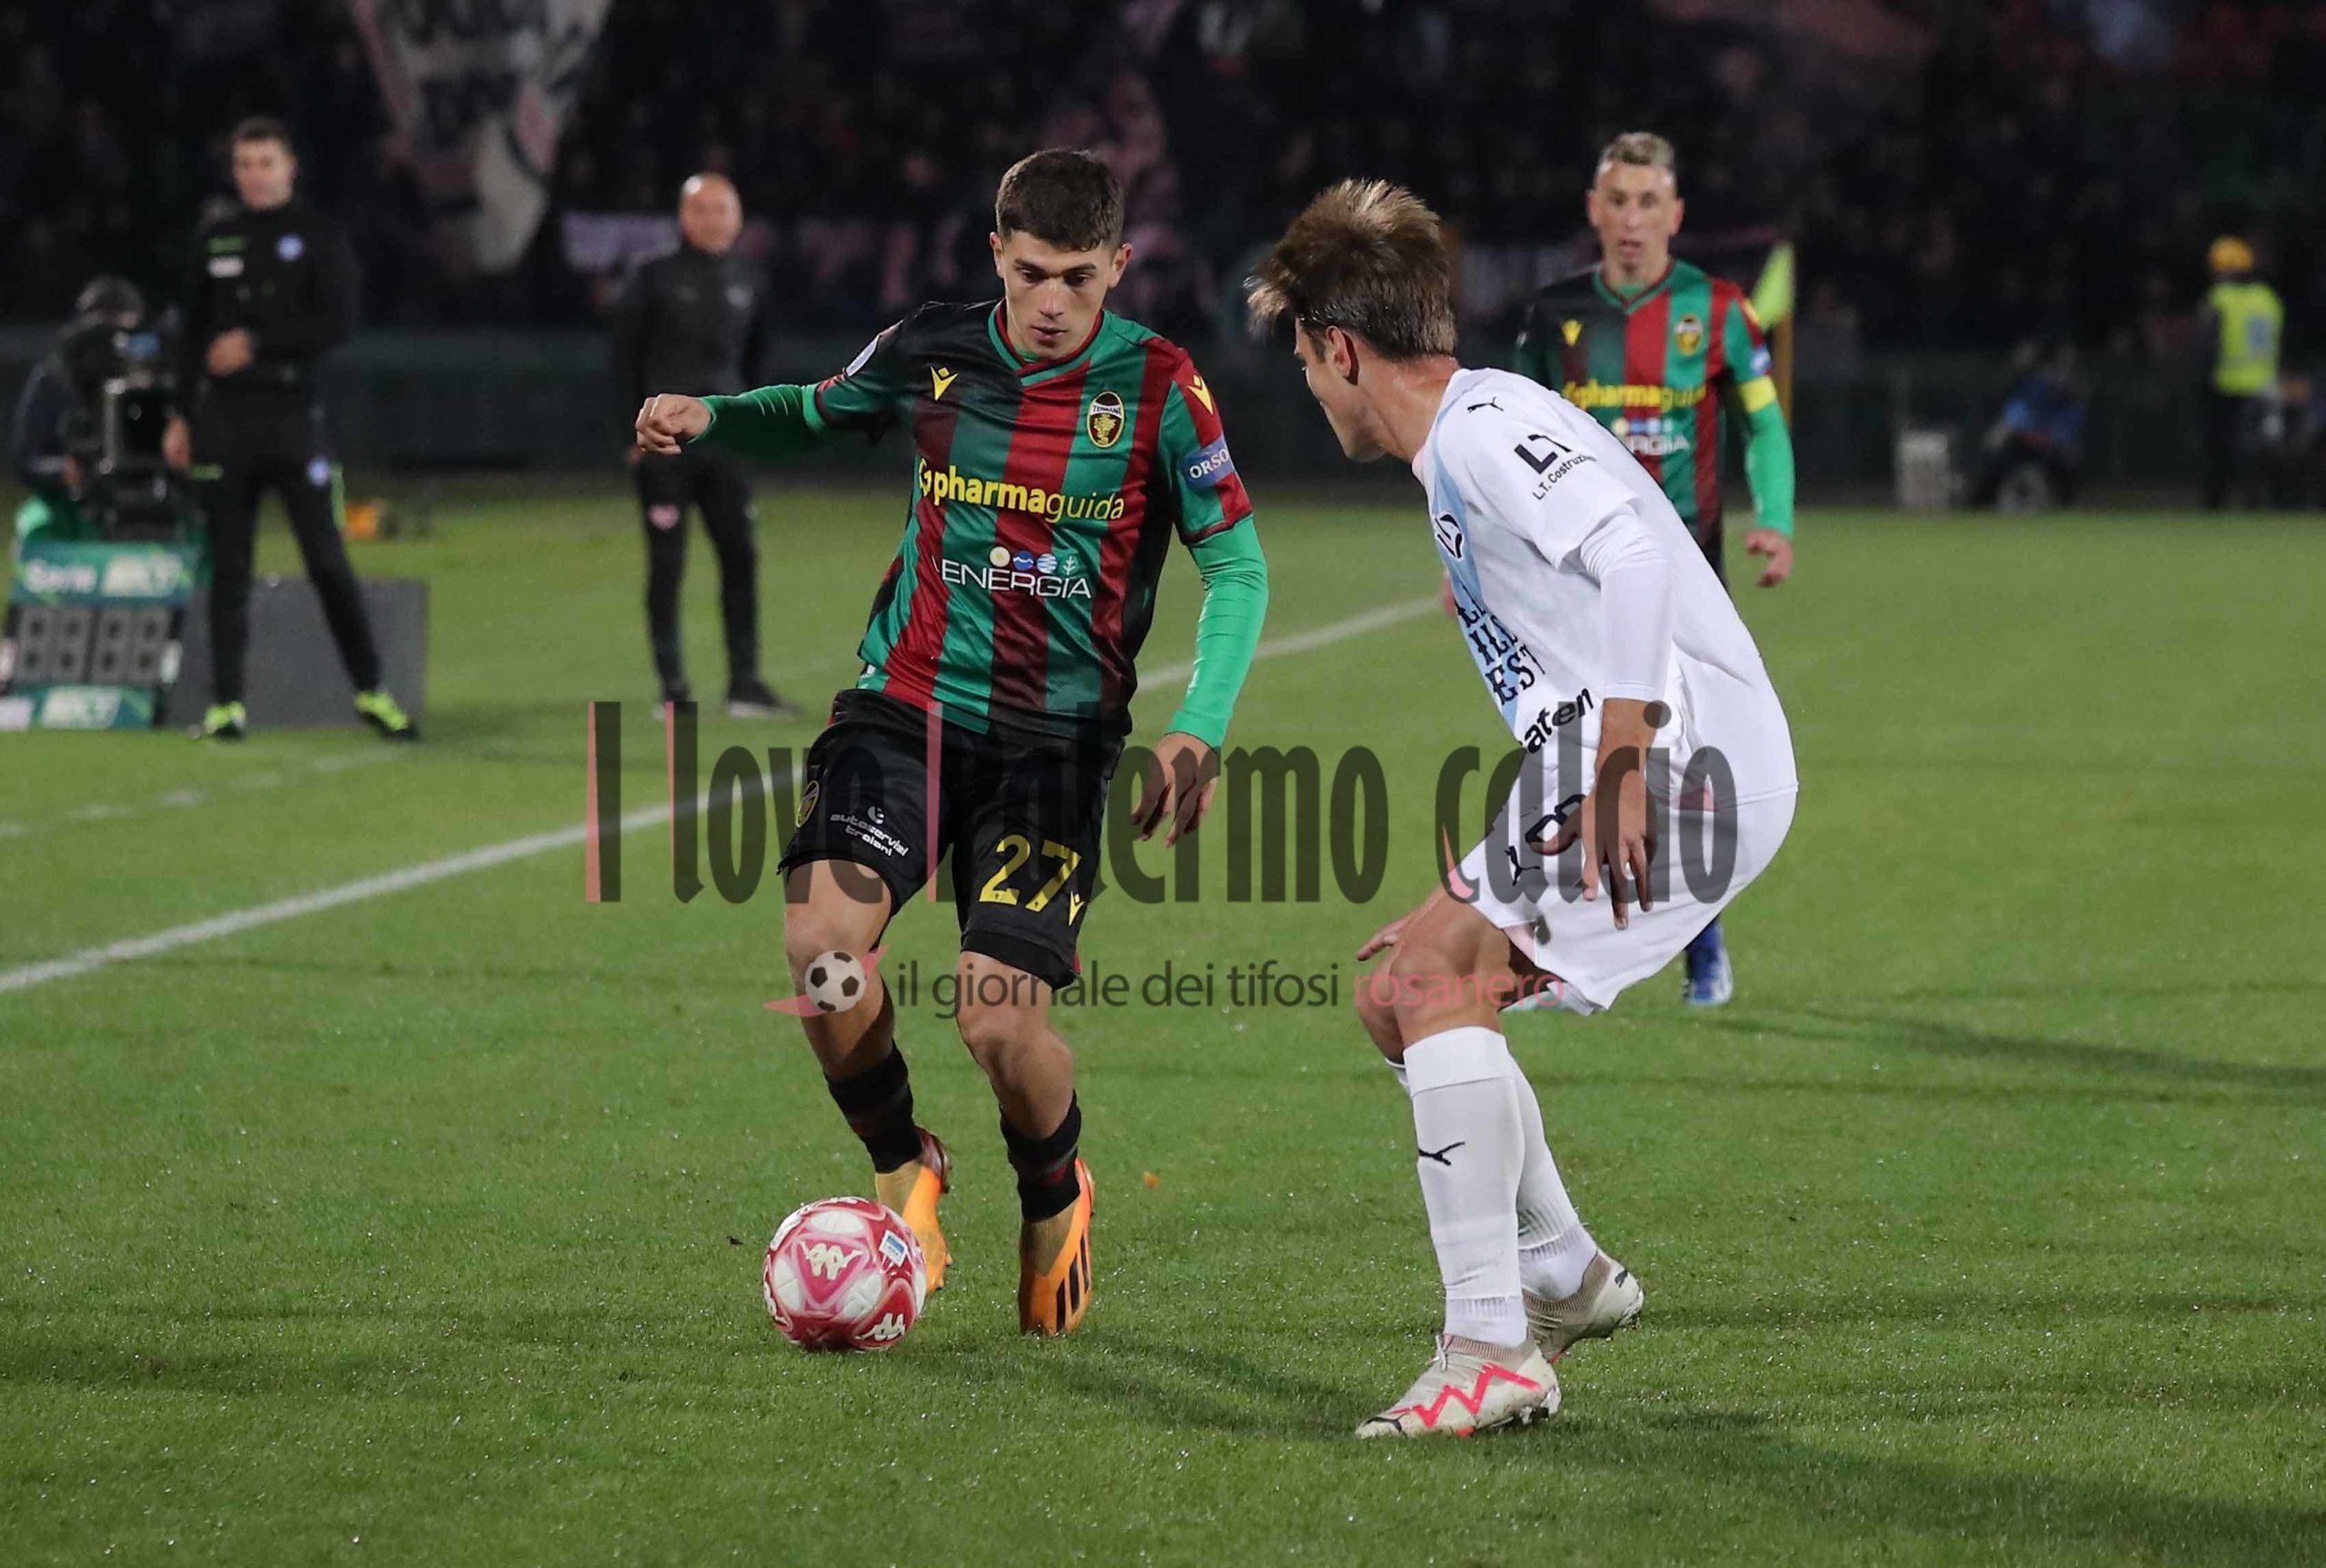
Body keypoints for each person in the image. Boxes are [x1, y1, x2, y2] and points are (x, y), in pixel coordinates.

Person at [634, 150, 1268, 1336]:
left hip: (1054, 749)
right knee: (824, 950)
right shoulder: (933, 349)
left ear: (1119, 269)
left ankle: (1052, 1189)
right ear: (997, 257)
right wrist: (711, 414)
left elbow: (1234, 560)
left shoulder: (1163, 390)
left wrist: (1200, 725)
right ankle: (900, 1160)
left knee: (996, 1015)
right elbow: (819, 411)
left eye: (1078, 279)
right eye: (1029, 274)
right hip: (907, 710)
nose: (1049, 302)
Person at [1248, 180, 1796, 1437]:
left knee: (1436, 982)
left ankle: (1490, 1346)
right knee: (1401, 991)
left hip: (1679, 760)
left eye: (1304, 359)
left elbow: (1641, 557)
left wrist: (1621, 759)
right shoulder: (1468, 438)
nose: (1310, 388)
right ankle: (1562, 1274)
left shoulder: (1486, 428)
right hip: (1627, 748)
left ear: (1339, 348)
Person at [1512, 132, 1796, 1007]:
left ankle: (1699, 944)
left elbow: (1765, 425)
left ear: (1675, 214)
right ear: (1594, 211)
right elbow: (1504, 444)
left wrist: (1776, 521)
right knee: (1563, 754)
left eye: (1648, 203)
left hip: (1682, 581)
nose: (1632, 219)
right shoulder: (1552, 316)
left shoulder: (1718, 313)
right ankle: (1557, 951)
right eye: (1618, 201)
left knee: (1682, 768)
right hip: (1569, 580)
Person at [160, 116, 415, 743]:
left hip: (293, 418)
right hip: (223, 423)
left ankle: (372, 690)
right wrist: (178, 415)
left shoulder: (318, 235)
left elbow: (340, 321)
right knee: (228, 566)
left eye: (265, 162)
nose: (254, 174)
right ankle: (226, 705)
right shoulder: (215, 238)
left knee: (327, 560)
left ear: (290, 166)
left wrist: (258, 344)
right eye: (245, 163)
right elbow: (190, 335)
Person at [611, 174, 792, 716]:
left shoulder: (750, 280)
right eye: (702, 209)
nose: (713, 219)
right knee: (667, 565)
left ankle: (745, 684)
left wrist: (752, 422)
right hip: (664, 445)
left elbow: (757, 361)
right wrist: (631, 433)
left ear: (738, 219)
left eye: (723, 210)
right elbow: (625, 360)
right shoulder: (652, 279)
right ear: (684, 217)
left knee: (741, 556)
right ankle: (673, 690)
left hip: (728, 444)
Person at [11, 277, 152, 545]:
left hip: (141, 500)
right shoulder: (53, 381)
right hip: (70, 503)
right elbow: (25, 459)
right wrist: (63, 470)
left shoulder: (150, 383)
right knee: (36, 527)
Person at [2196, 235, 2283, 510]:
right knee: (2258, 452)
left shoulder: (2220, 298)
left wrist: (2201, 377)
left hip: (2226, 385)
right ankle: (2259, 505)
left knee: (2220, 451)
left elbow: (2207, 345)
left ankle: (2215, 505)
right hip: (2265, 385)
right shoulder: (2267, 298)